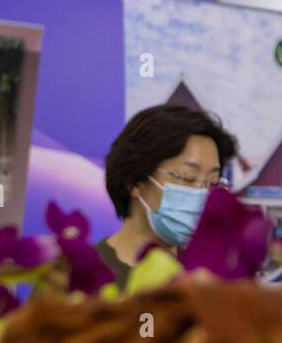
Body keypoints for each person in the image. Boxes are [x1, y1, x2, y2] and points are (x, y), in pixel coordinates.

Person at [97, 104, 238, 282]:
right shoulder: (79, 274)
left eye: (213, 183)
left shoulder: (209, 280)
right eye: (187, 177)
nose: (202, 194)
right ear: (134, 182)